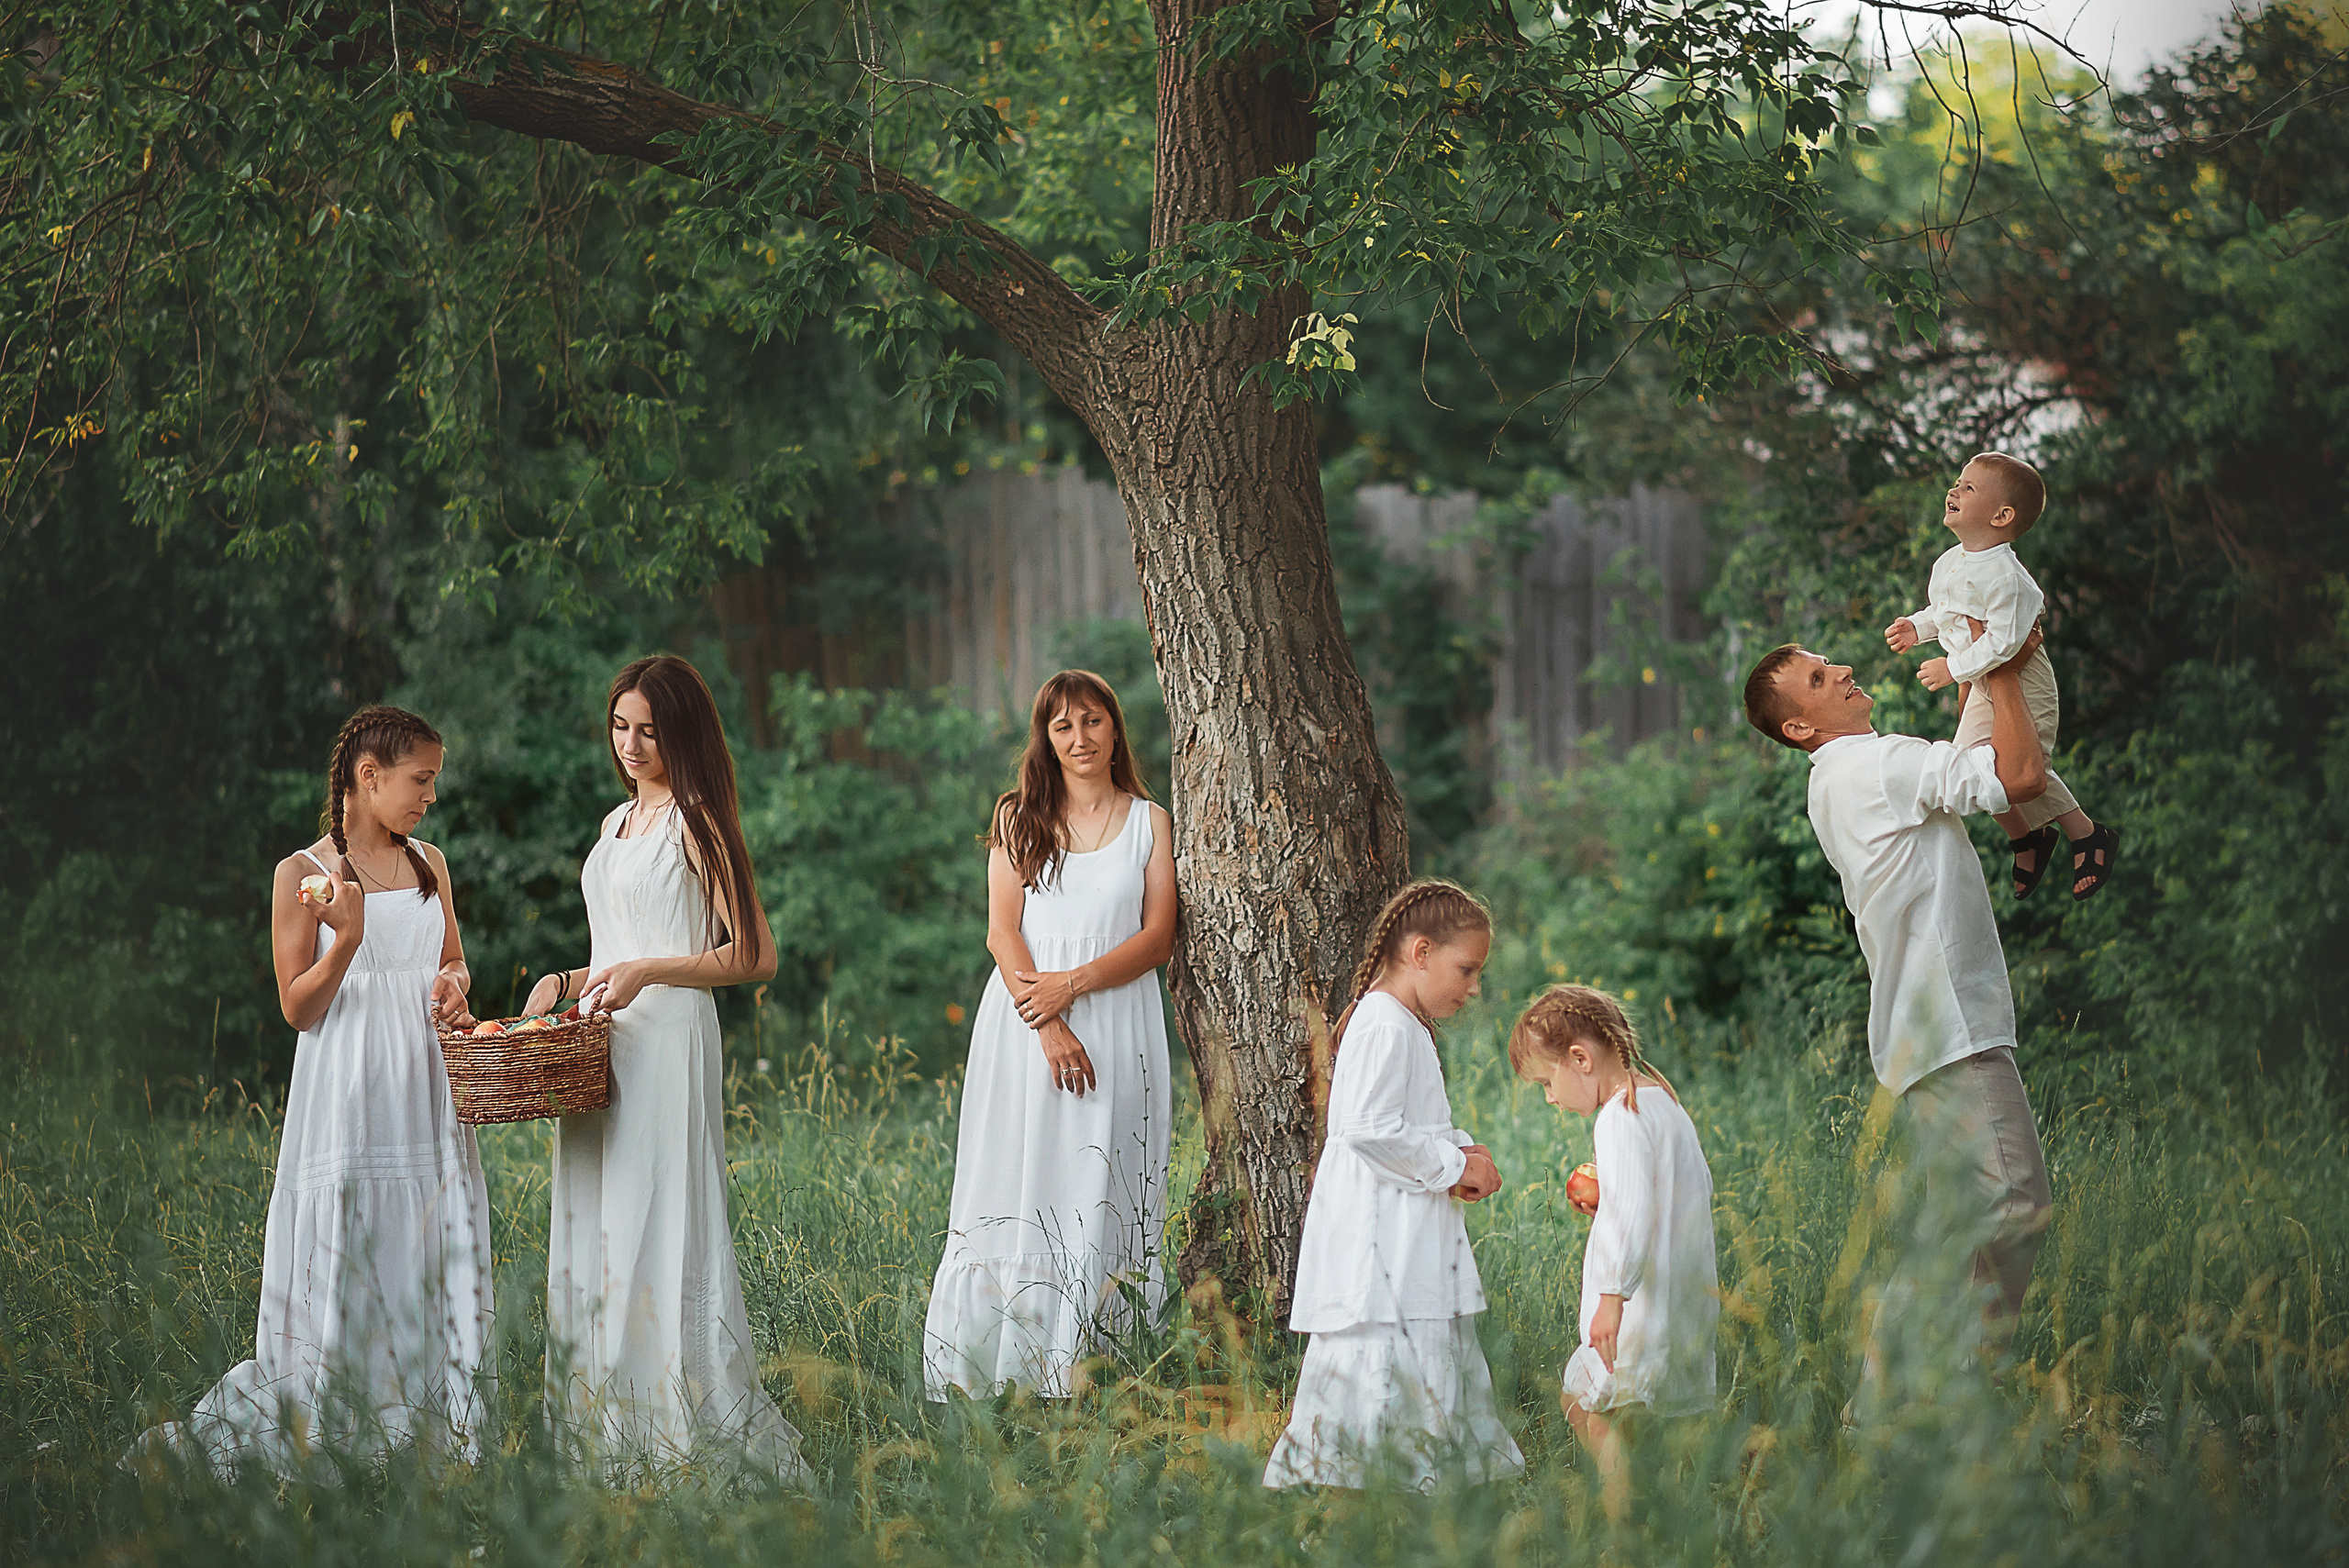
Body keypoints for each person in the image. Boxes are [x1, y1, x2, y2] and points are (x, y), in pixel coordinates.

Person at [129, 706, 493, 1474]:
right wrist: (350, 939)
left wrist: (455, 988)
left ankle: (430, 1421)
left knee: (425, 1229)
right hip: (351, 1091)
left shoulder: (432, 862)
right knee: (356, 1229)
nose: (431, 796)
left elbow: (454, 959)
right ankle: (341, 1415)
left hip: (425, 1085)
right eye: (420, 780)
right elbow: (298, 1004)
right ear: (369, 776)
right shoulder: (301, 874)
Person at [523, 654, 805, 1478]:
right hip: (599, 1036)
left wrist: (653, 970)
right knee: (596, 1216)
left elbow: (756, 954)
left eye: (649, 729)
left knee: (655, 1213)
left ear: (680, 730)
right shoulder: (614, 825)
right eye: (621, 726)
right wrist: (567, 980)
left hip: (671, 1035)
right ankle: (599, 1425)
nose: (632, 743)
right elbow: (613, 949)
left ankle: (672, 1423)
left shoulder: (699, 818)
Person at [1743, 629, 2055, 1351]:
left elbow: (1967, 763)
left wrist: (1985, 673)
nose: (1844, 670)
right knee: (2014, 1205)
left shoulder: (1843, 777)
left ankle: (1939, 1397)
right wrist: (1997, 663)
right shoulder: (1876, 766)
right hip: (1947, 1025)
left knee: (1977, 1211)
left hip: (1927, 1028)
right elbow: (2021, 777)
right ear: (1799, 725)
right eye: (1821, 679)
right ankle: (1906, 1382)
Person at [923, 670, 1176, 1400]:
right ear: (1046, 737)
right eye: (1063, 726)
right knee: (1019, 1185)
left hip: (1119, 1023)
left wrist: (1077, 984)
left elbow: (1158, 936)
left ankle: (1094, 1373)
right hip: (1026, 1025)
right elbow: (1003, 932)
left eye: (1092, 721)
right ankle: (995, 1373)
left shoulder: (1148, 821)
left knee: (1102, 1182)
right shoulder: (1018, 817)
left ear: (1114, 728)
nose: (1079, 738)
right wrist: (1050, 1018)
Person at [1262, 880, 1524, 1492]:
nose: (1474, 987)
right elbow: (1367, 1129)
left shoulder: (1397, 1020)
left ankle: (1415, 1483)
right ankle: (1365, 1487)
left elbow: (1403, 1125)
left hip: (1407, 1234)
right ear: (1421, 952)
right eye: (1467, 969)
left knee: (1419, 1349)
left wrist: (1460, 1149)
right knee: (1382, 1354)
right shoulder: (1383, 1022)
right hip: (1383, 1243)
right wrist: (1454, 1166)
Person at [1508, 984, 1716, 1520]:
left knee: (1579, 1402)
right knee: (1659, 1422)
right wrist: (1608, 1198)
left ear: (1580, 1058)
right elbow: (1667, 1193)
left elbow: (1629, 1215)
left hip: (1637, 1311)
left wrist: (1611, 1297)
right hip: (1684, 1303)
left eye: (1547, 1082)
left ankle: (1622, 1512)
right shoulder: (1662, 1102)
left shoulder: (1617, 1118)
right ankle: (1678, 1514)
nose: (1549, 1098)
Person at [1884, 452, 2120, 900]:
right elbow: (1947, 613)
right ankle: (2027, 836)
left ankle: (2086, 834)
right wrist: (1919, 628)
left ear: (2002, 515)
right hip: (1982, 681)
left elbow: (2005, 646)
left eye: (1968, 488)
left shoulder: (2009, 579)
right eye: (1957, 483)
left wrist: (1952, 670)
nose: (1954, 490)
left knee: (2024, 765)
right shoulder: (1950, 561)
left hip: (2022, 678)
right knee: (1974, 767)